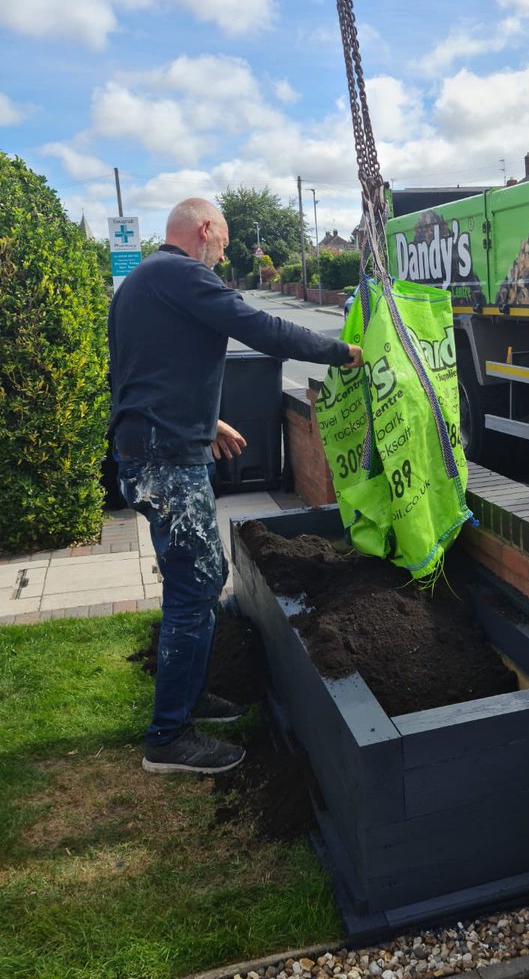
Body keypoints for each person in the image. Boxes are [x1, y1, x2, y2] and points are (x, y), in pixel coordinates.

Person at [108, 197, 363, 775]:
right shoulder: (182, 273)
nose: (223, 258)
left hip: (155, 446)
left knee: (198, 578)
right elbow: (261, 327)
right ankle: (168, 738)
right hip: (165, 461)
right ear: (204, 231)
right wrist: (339, 351)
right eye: (222, 244)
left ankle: (191, 697)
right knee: (194, 587)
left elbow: (143, 368)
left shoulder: (145, 280)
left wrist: (204, 422)